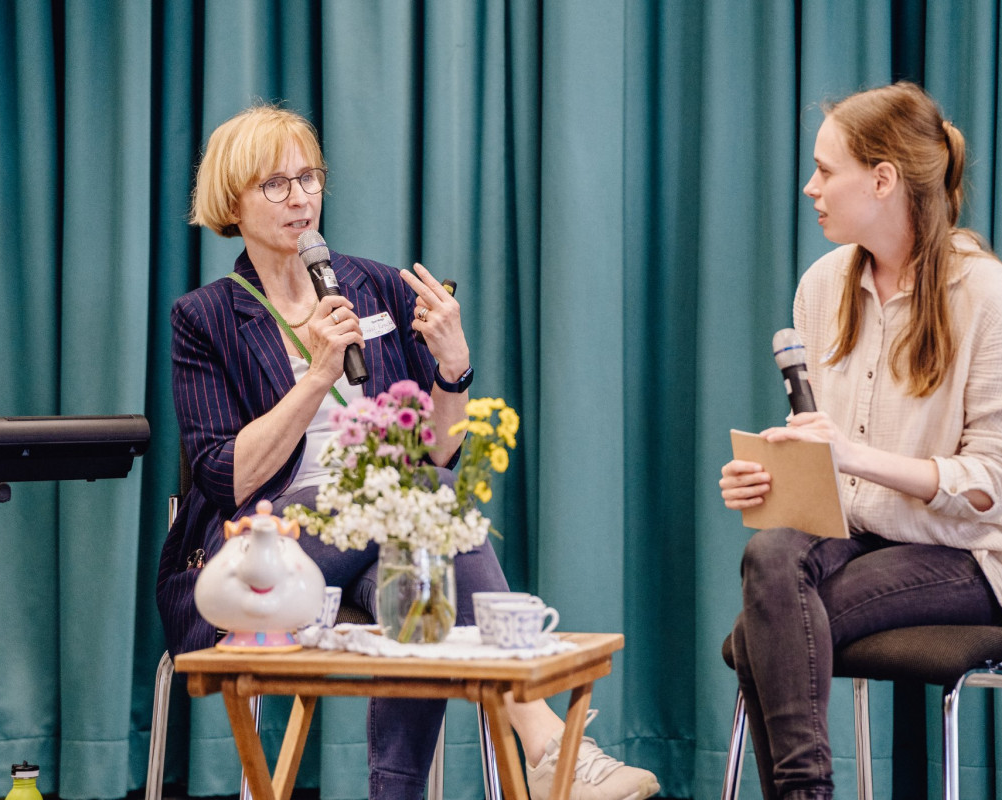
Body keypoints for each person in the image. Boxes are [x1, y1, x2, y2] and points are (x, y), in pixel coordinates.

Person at [155, 103, 660, 800]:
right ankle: (549, 745)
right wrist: (317, 377)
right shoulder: (205, 317)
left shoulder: (377, 287)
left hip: (381, 529)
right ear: (232, 201)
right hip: (265, 551)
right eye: (275, 184)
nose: (300, 197)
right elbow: (225, 478)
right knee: (421, 518)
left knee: (422, 584)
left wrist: (453, 371)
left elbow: (436, 460)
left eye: (309, 177)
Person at [718, 82, 1002, 800]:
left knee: (761, 637)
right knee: (769, 553)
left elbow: (994, 483)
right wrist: (771, 481)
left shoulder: (984, 294)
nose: (810, 188)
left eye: (824, 170)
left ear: (882, 179)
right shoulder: (821, 285)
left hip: (977, 553)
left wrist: (854, 456)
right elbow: (831, 470)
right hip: (863, 533)